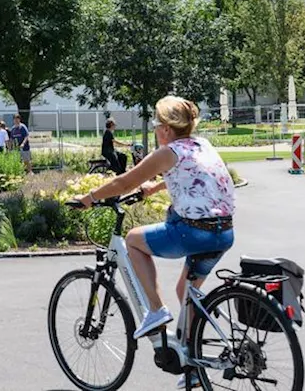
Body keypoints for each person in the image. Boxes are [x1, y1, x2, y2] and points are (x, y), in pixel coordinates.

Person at [72, 96, 235, 369]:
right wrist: (154, 188)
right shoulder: (201, 145)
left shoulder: (167, 152)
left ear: (167, 129)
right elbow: (197, 176)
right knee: (187, 291)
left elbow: (124, 181)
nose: (156, 129)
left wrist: (89, 197)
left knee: (134, 240)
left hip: (193, 232)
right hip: (224, 233)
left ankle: (156, 311)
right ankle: (192, 367)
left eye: (158, 124)